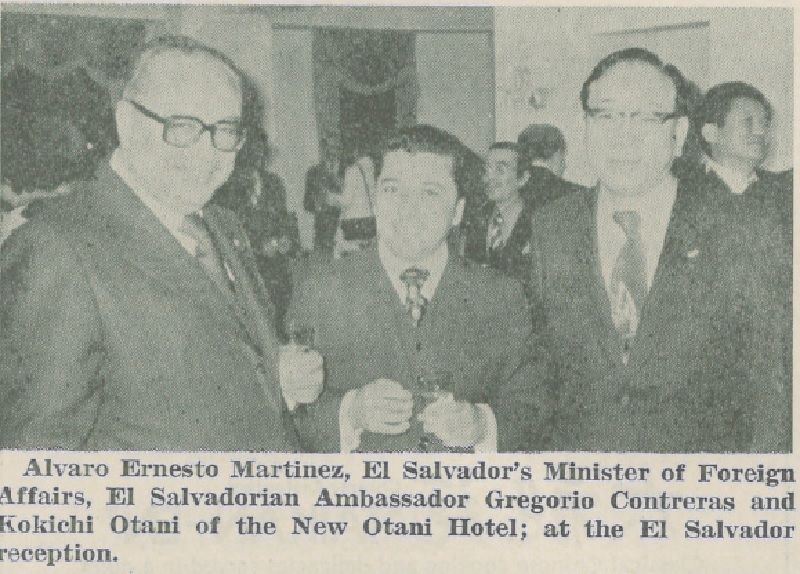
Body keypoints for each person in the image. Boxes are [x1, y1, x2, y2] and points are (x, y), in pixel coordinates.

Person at [0, 36, 322, 450]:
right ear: (126, 123)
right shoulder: (55, 247)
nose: (206, 153)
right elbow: (34, 460)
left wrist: (272, 375)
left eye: (225, 129)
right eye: (182, 127)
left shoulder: (222, 225)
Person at [526, 48, 789, 452]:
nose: (623, 136)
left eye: (647, 117)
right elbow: (541, 371)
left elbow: (772, 390)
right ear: (586, 126)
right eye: (607, 116)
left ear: (679, 133)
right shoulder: (552, 227)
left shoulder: (740, 227)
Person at [288, 125, 546, 453]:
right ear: (376, 199)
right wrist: (349, 412)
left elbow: (531, 408)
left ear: (458, 211)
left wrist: (482, 425)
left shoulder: (502, 296)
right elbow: (288, 413)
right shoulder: (321, 290)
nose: (407, 209)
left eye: (429, 192)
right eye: (393, 190)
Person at [463, 142, 533, 277]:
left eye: (500, 170)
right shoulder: (473, 218)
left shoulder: (538, 222)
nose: (489, 178)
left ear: (523, 178)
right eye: (487, 169)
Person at [516, 123, 583, 211]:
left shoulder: (509, 193)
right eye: (564, 156)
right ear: (558, 154)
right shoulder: (579, 195)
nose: (565, 166)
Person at [304, 144, 342, 255]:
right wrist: (317, 203)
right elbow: (306, 204)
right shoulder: (313, 173)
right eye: (329, 151)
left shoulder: (347, 171)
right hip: (323, 231)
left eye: (336, 151)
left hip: (344, 231)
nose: (332, 155)